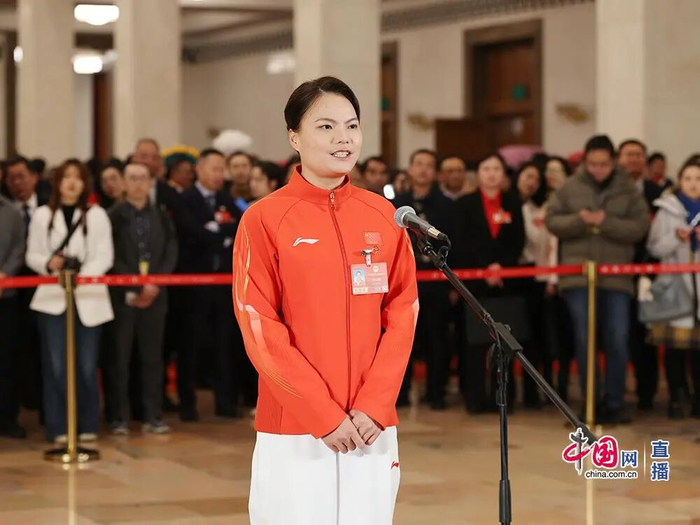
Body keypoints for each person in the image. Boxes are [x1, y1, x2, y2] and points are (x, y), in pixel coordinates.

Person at [233, 76, 417, 524]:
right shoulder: (264, 219)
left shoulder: (386, 217)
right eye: (326, 126)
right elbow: (259, 325)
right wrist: (322, 414)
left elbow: (402, 313)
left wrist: (375, 404)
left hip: (371, 426)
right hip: (295, 426)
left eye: (351, 126)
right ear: (294, 137)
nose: (343, 138)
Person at [546, 135, 650, 424]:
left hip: (616, 278)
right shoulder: (570, 187)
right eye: (592, 164)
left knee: (618, 338)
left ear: (613, 161)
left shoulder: (627, 189)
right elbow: (552, 221)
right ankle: (589, 403)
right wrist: (580, 220)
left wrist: (605, 222)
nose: (598, 170)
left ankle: (614, 403)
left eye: (604, 164)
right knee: (584, 339)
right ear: (585, 161)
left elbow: (640, 227)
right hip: (578, 277)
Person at [25, 159, 114, 443]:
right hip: (52, 297)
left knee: (87, 366)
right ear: (57, 182)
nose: (72, 183)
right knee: (55, 366)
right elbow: (32, 255)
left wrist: (80, 277)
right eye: (66, 177)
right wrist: (49, 264)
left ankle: (87, 424)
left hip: (89, 297)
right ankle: (58, 426)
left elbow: (105, 256)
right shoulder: (42, 215)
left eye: (77, 177)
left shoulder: (97, 215)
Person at [108, 163, 178, 435]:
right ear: (124, 183)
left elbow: (171, 250)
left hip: (156, 296)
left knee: (152, 359)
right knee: (119, 359)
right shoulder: (113, 216)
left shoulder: (161, 215)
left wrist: (155, 282)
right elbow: (111, 255)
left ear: (151, 182)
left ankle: (153, 415)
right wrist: (135, 284)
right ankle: (119, 417)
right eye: (132, 178)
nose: (138, 183)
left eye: (143, 178)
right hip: (123, 296)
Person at [452, 153, 525, 414]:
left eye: (496, 169)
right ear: (478, 174)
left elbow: (518, 240)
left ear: (503, 174)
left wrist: (500, 266)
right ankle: (474, 398)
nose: (492, 174)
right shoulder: (465, 204)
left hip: (505, 282)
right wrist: (485, 268)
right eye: (486, 168)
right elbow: (461, 241)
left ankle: (503, 399)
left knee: (505, 341)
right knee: (474, 343)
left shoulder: (513, 202)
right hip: (476, 282)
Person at [174, 148, 243, 422]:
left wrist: (216, 231)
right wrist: (218, 235)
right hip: (193, 285)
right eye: (213, 168)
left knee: (224, 343)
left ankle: (225, 401)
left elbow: (238, 228)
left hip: (223, 285)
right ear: (199, 170)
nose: (218, 175)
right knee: (190, 344)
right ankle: (187, 403)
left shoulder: (227, 200)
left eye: (221, 169)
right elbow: (192, 233)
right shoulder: (185, 199)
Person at [394, 149, 454, 410]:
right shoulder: (397, 204)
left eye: (429, 165)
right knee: (401, 339)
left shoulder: (446, 205)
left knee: (437, 340)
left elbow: (454, 244)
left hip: (437, 284)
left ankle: (436, 393)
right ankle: (400, 393)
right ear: (409, 168)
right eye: (418, 164)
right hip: (404, 284)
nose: (423, 170)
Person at [646, 161, 700, 419]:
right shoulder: (667, 210)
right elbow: (654, 247)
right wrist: (677, 238)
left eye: (698, 178)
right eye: (688, 178)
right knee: (675, 348)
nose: (693, 184)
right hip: (675, 286)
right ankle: (676, 397)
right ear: (679, 181)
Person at [619, 138, 663, 410]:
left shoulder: (658, 193)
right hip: (618, 271)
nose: (634, 159)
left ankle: (647, 393)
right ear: (619, 159)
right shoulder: (613, 191)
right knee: (619, 334)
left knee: (646, 335)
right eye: (629, 154)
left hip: (649, 274)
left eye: (638, 154)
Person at [6, 156, 49, 415]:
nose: (17, 183)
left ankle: (46, 405)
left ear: (34, 177)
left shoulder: (48, 205)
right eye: (11, 178)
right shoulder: (6, 209)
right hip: (13, 292)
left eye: (22, 176)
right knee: (18, 348)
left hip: (46, 288)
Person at [515, 162, 552, 408]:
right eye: (527, 176)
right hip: (515, 275)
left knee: (536, 338)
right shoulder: (511, 204)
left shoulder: (540, 208)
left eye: (536, 179)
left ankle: (533, 393)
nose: (531, 183)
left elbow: (540, 239)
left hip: (537, 276)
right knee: (516, 335)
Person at [0, 195, 27, 438]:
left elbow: (19, 248)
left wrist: (4, 274)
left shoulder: (11, 212)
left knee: (7, 359)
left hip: (5, 296)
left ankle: (7, 418)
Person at [132, 138, 179, 214]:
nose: (149, 161)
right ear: (134, 158)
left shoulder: (170, 193)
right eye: (144, 156)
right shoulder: (123, 190)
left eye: (154, 158)